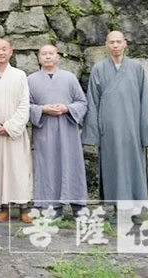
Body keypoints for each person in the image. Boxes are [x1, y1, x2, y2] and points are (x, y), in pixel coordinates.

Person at [82, 31, 148, 202]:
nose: (115, 46)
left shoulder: (136, 68)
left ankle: (138, 207)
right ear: (106, 45)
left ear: (125, 43)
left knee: (135, 167)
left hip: (132, 129)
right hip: (109, 131)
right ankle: (116, 208)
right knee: (112, 168)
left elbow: (145, 101)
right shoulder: (98, 69)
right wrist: (94, 134)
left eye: (119, 42)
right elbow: (93, 102)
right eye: (112, 42)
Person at [27, 45, 88, 217]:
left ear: (57, 57)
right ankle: (52, 207)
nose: (47, 57)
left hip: (68, 129)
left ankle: (79, 206)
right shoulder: (31, 80)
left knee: (72, 164)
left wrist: (67, 108)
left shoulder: (69, 78)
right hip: (45, 130)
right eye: (44, 54)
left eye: (51, 54)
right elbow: (26, 106)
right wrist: (42, 109)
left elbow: (82, 102)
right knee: (48, 167)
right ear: (39, 58)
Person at [0, 38, 33, 223]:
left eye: (4, 49)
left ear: (11, 52)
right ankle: (3, 208)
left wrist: (10, 126)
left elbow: (24, 104)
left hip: (14, 133)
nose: (1, 52)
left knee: (18, 168)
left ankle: (24, 208)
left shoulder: (19, 75)